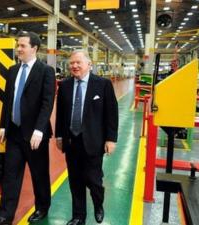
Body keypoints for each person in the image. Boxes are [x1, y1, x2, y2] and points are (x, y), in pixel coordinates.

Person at [0, 31, 56, 225]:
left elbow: (47, 102)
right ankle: (4, 217)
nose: (18, 49)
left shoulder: (45, 71)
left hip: (35, 135)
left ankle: (42, 208)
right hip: (15, 133)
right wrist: (3, 126)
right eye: (18, 45)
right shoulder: (13, 70)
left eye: (22, 46)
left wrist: (39, 130)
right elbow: (7, 101)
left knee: (39, 174)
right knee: (10, 175)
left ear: (34, 48)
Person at [55, 50, 118, 225]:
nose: (74, 66)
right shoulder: (65, 85)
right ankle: (78, 216)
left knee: (94, 180)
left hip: (93, 142)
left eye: (78, 63)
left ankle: (98, 204)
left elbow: (111, 114)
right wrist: (59, 136)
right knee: (75, 181)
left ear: (89, 64)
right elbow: (60, 113)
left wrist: (111, 139)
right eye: (71, 63)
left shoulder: (103, 84)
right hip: (71, 141)